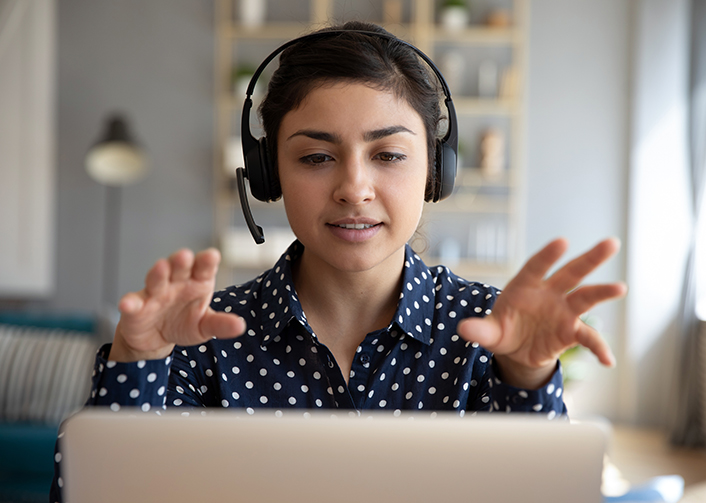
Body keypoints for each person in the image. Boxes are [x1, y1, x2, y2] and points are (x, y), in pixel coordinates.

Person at [50, 21, 626, 502]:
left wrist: (524, 378)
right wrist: (136, 362)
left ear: (435, 171)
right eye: (317, 156)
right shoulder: (201, 337)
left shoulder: (489, 333)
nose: (354, 187)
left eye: (390, 154)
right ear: (270, 174)